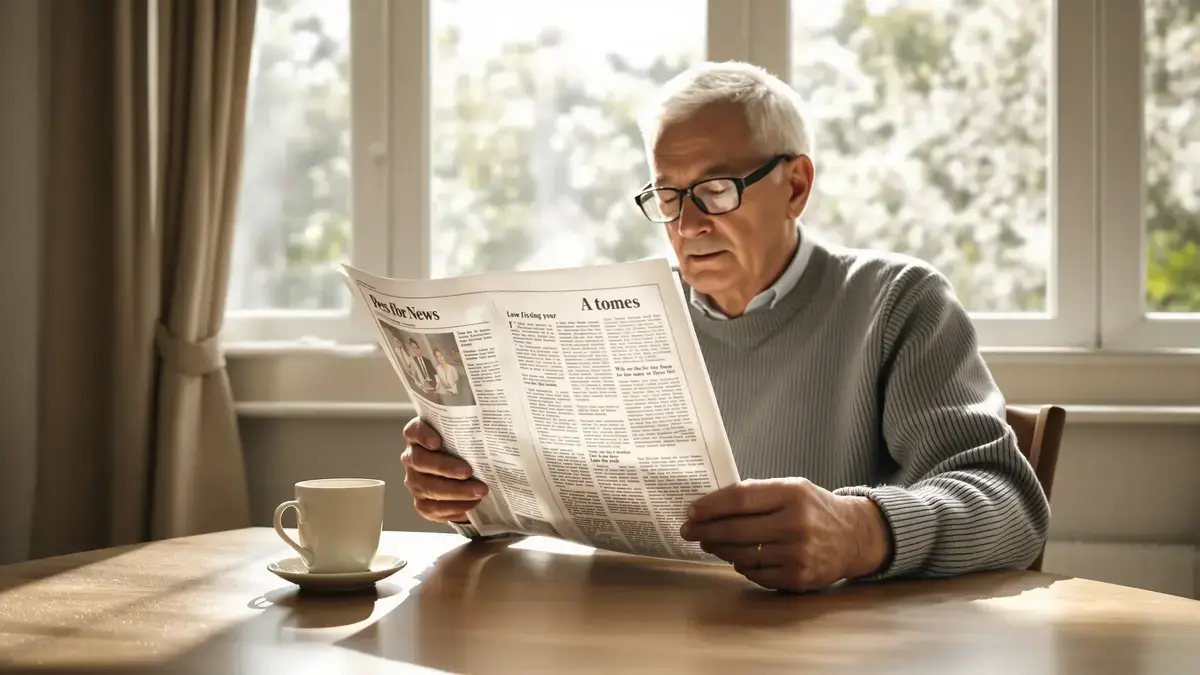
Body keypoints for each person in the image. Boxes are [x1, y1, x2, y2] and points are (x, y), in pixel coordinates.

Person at [401, 61, 1050, 592]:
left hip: (826, 654)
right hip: (638, 642)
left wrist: (858, 530)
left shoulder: (894, 301)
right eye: (668, 196)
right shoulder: (624, 312)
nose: (687, 225)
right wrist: (468, 496)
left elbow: (1011, 507)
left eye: (715, 190)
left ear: (795, 185)